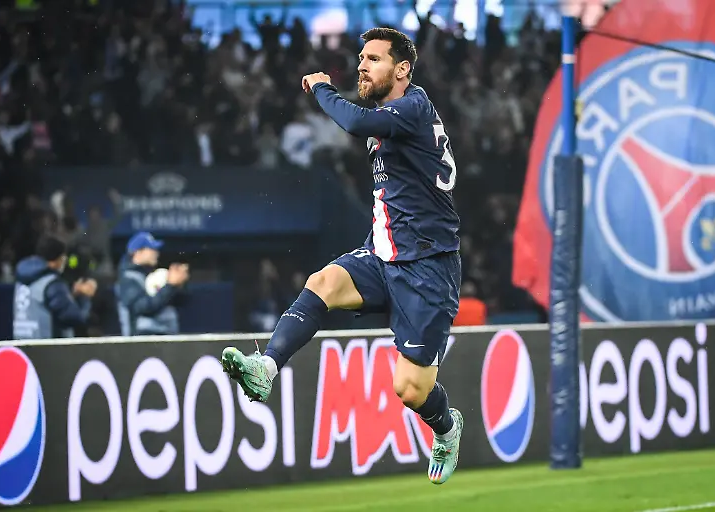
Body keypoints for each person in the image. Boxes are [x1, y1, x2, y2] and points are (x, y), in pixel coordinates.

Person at [222, 27, 463, 484]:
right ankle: (266, 367)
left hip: (428, 266)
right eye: (361, 58)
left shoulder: (411, 107)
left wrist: (322, 87)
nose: (362, 65)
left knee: (410, 391)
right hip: (384, 253)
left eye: (374, 58)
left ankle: (447, 428)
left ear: (402, 69)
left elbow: (353, 123)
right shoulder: (394, 115)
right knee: (323, 282)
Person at [13, 235, 97, 339]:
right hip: (47, 348)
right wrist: (84, 297)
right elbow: (73, 318)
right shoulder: (52, 283)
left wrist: (71, 294)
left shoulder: (23, 278)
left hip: (22, 343)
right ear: (57, 259)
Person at [115, 232, 189, 336]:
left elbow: (182, 302)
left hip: (162, 335)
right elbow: (142, 308)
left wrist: (178, 283)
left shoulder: (153, 274)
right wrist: (170, 285)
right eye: (151, 249)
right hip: (141, 339)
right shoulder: (128, 278)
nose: (156, 252)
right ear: (138, 252)